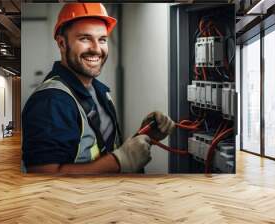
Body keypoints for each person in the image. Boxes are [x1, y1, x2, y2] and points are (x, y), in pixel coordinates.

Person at [22, 3, 175, 174]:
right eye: (85, 38)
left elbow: (105, 150)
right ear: (62, 43)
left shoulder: (98, 90)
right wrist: (119, 162)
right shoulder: (51, 102)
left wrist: (144, 136)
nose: (96, 49)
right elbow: (43, 177)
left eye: (102, 39)